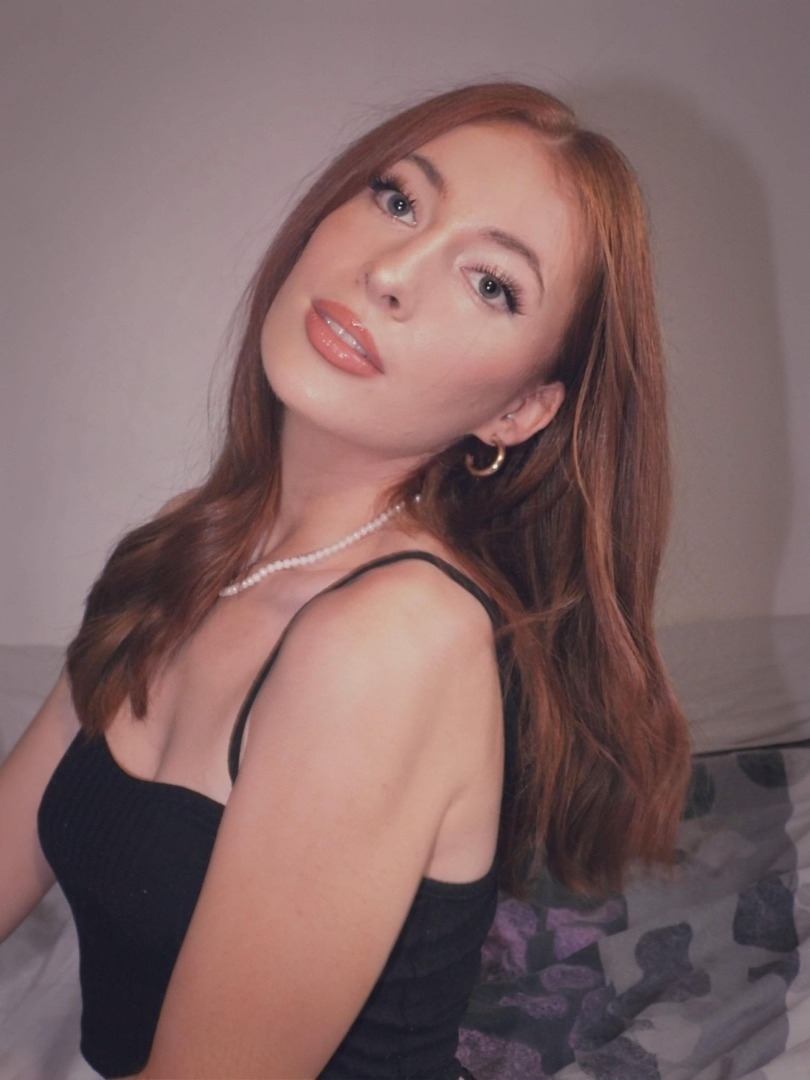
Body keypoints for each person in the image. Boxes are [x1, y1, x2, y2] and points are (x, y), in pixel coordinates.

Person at [0, 82, 691, 1079]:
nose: (392, 272)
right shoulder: (188, 547)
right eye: (399, 200)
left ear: (520, 411)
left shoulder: (394, 639)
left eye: (492, 284)